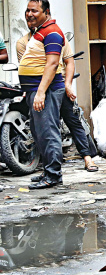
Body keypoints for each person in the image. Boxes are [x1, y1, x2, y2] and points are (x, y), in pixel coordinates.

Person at [16, 31, 98, 175]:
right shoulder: (23, 43)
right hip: (38, 89)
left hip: (58, 85)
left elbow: (69, 62)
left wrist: (68, 85)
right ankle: (49, 168)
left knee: (73, 120)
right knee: (41, 128)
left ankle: (87, 158)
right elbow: (28, 68)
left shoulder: (57, 37)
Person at [18, 0, 66, 189]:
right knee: (39, 133)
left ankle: (53, 175)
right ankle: (48, 171)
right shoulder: (40, 31)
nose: (29, 14)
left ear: (46, 12)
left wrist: (40, 92)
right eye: (28, 10)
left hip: (46, 91)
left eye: (34, 11)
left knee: (48, 132)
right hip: (36, 90)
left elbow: (52, 64)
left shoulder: (52, 33)